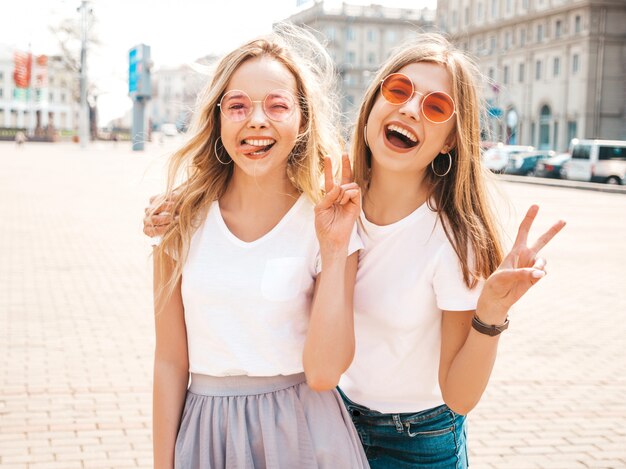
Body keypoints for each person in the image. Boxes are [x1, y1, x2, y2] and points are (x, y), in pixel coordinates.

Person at [145, 33, 565, 468]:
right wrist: (181, 204)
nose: (408, 108)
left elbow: (458, 396)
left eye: (435, 107)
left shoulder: (450, 239)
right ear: (372, 102)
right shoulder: (334, 199)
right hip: (333, 419)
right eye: (398, 90)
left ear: (450, 140)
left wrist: (491, 313)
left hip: (414, 437)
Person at [150, 26, 369, 469]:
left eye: (277, 105)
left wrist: (332, 249)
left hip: (304, 434)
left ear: (302, 120)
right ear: (217, 119)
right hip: (206, 433)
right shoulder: (179, 221)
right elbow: (170, 362)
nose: (256, 120)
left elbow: (326, 373)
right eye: (237, 106)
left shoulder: (329, 221)